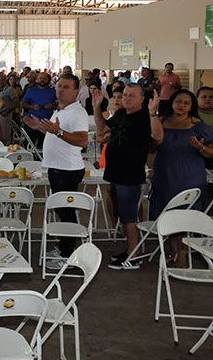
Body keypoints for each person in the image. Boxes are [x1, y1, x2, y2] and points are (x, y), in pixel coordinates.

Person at [93, 85, 162, 270]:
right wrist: (97, 107)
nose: (126, 98)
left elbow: (158, 137)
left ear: (142, 99)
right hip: (115, 172)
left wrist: (153, 112)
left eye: (131, 95)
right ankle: (131, 250)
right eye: (124, 95)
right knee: (123, 215)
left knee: (129, 217)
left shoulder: (146, 116)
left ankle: (134, 255)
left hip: (130, 174)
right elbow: (101, 130)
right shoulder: (121, 114)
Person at [25, 74, 89, 270]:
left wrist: (57, 131)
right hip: (58, 168)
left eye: (66, 87)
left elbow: (82, 141)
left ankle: (68, 254)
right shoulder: (61, 110)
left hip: (67, 169)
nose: (60, 90)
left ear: (76, 91)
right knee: (63, 211)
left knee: (66, 211)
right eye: (59, 86)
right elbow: (56, 134)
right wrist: (40, 127)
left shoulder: (77, 112)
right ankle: (64, 247)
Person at [149, 90, 213, 267]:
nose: (181, 106)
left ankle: (182, 256)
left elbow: (211, 152)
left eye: (186, 103)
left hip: (189, 176)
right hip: (165, 174)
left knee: (184, 216)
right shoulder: (161, 121)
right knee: (167, 213)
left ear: (191, 106)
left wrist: (200, 147)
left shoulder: (199, 125)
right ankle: (172, 252)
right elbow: (152, 148)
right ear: (171, 102)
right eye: (178, 101)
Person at [21, 72, 57, 148]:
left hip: (46, 124)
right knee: (29, 145)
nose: (42, 80)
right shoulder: (31, 90)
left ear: (48, 80)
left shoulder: (53, 92)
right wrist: (32, 106)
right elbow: (23, 103)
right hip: (31, 123)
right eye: (40, 78)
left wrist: (53, 106)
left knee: (43, 146)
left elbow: (59, 105)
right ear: (37, 79)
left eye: (44, 78)